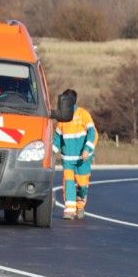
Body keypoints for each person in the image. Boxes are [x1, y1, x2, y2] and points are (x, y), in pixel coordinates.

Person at [52, 88, 97, 219]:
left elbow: (92, 133)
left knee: (82, 185)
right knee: (69, 183)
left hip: (83, 158)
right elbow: (57, 139)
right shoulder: (62, 118)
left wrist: (87, 150)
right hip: (67, 160)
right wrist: (51, 153)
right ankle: (69, 211)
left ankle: (80, 205)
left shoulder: (83, 114)